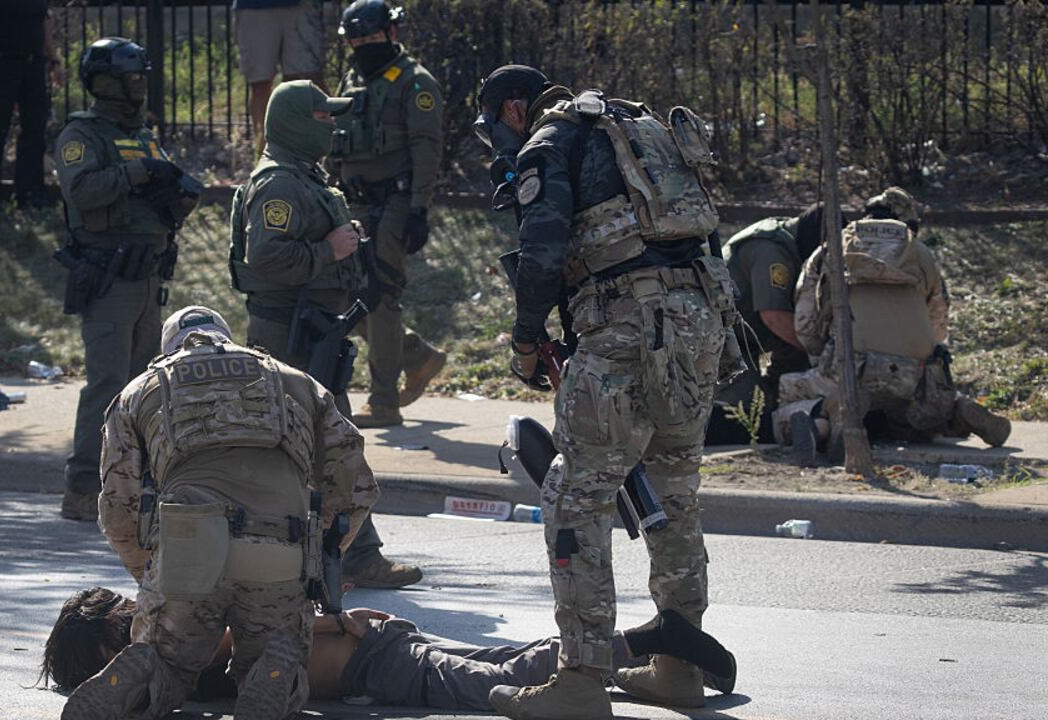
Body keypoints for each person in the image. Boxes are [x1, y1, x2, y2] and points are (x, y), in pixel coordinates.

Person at [473, 65, 737, 716]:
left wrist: (527, 340)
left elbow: (541, 254)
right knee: (674, 489)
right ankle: (678, 669)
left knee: (574, 495)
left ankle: (580, 681)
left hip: (624, 322)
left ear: (513, 110)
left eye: (493, 131)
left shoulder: (549, 141)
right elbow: (704, 234)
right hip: (698, 320)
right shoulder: (638, 125)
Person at [62, 305, 381, 720]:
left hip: (186, 549)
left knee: (171, 666)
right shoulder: (297, 383)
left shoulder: (140, 391)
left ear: (169, 349)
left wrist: (151, 573)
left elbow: (118, 510)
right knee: (274, 658)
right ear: (230, 339)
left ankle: (145, 677)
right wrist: (317, 560)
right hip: (279, 550)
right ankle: (268, 675)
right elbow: (356, 488)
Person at [229, 79, 422, 590]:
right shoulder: (279, 184)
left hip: (312, 330)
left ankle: (316, 554)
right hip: (291, 333)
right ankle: (352, 555)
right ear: (294, 122)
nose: (333, 127)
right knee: (329, 445)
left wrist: (340, 243)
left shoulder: (302, 178)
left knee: (314, 444)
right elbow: (266, 257)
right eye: (323, 118)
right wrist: (329, 252)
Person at [43, 587, 737, 711]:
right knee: (510, 664)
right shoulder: (170, 660)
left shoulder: (189, 641)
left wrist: (335, 623)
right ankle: (634, 654)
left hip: (374, 660)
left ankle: (648, 640)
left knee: (493, 687)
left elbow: (256, 634)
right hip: (375, 650)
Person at [55, 37, 197, 521]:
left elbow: (156, 200)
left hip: (149, 274)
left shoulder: (142, 131)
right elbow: (82, 190)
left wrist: (175, 192)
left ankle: (134, 485)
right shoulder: (84, 134)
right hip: (110, 275)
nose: (140, 84)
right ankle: (81, 488)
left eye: (142, 75)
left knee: (143, 385)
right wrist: (137, 172)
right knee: (108, 383)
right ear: (104, 81)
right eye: (132, 76)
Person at [778, 187, 1010, 458]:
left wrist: (822, 358)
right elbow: (938, 325)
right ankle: (955, 413)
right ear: (909, 223)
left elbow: (805, 325)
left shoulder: (829, 250)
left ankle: (823, 423)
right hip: (914, 374)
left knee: (788, 392)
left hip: (851, 368)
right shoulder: (922, 253)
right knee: (910, 419)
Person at [330, 0, 447, 428]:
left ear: (391, 34)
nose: (362, 45)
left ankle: (382, 402)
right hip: (353, 203)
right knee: (345, 297)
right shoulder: (352, 79)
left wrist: (419, 208)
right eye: (355, 39)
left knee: (379, 296)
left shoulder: (415, 83)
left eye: (370, 37)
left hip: (393, 204)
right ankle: (416, 355)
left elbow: (426, 148)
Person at [704, 203, 832, 446]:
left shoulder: (788, 242)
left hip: (745, 343)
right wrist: (822, 353)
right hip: (718, 343)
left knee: (779, 395)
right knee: (748, 414)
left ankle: (779, 403)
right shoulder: (771, 250)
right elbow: (773, 316)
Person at [0, 0, 62, 210]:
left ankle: (30, 194)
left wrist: (54, 60)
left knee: (35, 129)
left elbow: (44, 19)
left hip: (33, 63)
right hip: (1, 61)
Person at [232, 0, 326, 155]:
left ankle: (323, 151)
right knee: (260, 83)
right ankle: (266, 154)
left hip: (301, 6)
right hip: (254, 8)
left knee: (307, 80)